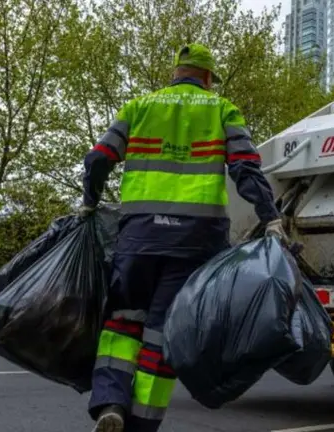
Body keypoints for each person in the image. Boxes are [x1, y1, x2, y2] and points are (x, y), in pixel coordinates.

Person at [80, 43, 289, 432]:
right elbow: (245, 169)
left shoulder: (138, 108)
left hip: (138, 237)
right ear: (207, 78)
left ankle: (111, 401)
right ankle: (141, 425)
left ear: (176, 73)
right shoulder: (222, 110)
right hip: (194, 242)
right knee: (161, 335)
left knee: (122, 322)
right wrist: (270, 217)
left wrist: (89, 204)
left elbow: (97, 160)